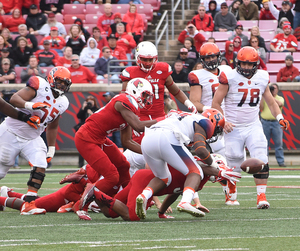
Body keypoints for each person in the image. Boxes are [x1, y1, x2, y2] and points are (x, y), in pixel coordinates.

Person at [212, 46, 290, 209]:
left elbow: (270, 101)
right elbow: (216, 103)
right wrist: (223, 121)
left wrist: (280, 117)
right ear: (238, 63)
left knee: (261, 157)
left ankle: (261, 196)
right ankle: (231, 192)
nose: (246, 68)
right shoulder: (229, 76)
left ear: (256, 64)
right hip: (233, 126)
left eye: (250, 64)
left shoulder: (262, 77)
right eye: (243, 64)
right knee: (234, 159)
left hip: (253, 125)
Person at [75, 78, 159, 211]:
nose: (146, 100)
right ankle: (82, 205)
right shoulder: (124, 101)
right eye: (144, 95)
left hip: (99, 137)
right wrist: (162, 121)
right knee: (112, 176)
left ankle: (128, 197)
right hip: (86, 137)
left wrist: (148, 152)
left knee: (123, 165)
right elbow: (138, 126)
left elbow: (127, 142)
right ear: (134, 91)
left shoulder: (130, 107)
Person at [120, 41, 197, 185]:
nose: (148, 63)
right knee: (141, 156)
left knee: (166, 151)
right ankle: (136, 187)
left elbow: (176, 90)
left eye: (150, 59)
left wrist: (188, 103)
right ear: (138, 57)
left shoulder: (162, 69)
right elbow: (124, 98)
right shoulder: (130, 73)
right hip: (139, 120)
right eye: (144, 59)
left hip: (160, 119)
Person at [78, 154, 240, 221]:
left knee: (110, 213)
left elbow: (175, 193)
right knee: (132, 217)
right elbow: (202, 166)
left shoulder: (199, 181)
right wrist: (219, 170)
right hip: (144, 181)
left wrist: (161, 211)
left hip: (142, 179)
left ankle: (96, 193)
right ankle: (94, 191)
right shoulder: (196, 167)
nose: (218, 177)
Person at [0, 66, 72, 214]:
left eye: (65, 83)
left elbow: (53, 126)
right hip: (10, 132)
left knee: (40, 163)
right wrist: (31, 105)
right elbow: (14, 99)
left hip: (32, 137)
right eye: (60, 82)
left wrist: (51, 148)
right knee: (2, 170)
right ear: (51, 78)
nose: (62, 86)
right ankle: (3, 194)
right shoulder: (39, 85)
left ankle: (29, 204)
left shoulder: (63, 102)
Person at [135, 109, 226, 219]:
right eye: (217, 129)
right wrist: (213, 165)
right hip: (167, 136)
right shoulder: (206, 122)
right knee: (195, 172)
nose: (214, 133)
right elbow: (200, 150)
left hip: (148, 138)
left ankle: (144, 196)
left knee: (163, 178)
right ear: (213, 122)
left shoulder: (182, 116)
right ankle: (185, 202)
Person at [260, 84, 286, 167]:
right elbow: (261, 107)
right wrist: (263, 96)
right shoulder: (264, 98)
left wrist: (269, 96)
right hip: (265, 122)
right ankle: (264, 162)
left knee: (278, 144)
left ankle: (280, 161)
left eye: (274, 88)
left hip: (276, 123)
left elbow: (280, 104)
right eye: (272, 88)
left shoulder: (280, 98)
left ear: (277, 90)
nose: (273, 90)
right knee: (264, 143)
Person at [75, 95, 99, 167]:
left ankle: (93, 163)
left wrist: (91, 113)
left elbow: (98, 118)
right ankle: (81, 164)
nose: (89, 104)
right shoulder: (84, 109)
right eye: (88, 102)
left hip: (93, 130)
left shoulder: (97, 109)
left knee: (93, 147)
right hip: (83, 129)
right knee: (82, 147)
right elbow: (78, 116)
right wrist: (83, 107)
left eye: (91, 102)